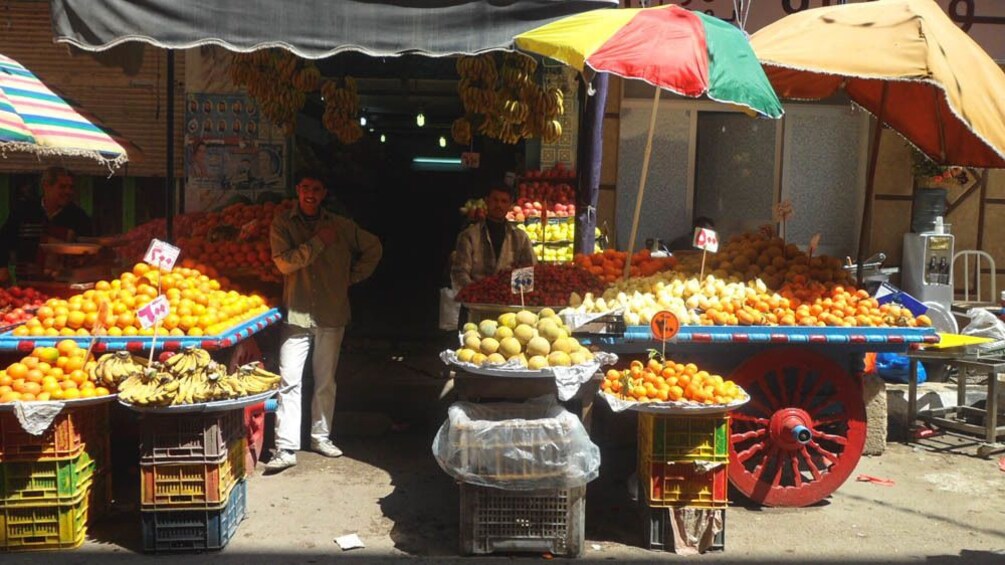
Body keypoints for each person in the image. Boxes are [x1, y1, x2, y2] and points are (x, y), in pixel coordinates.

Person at [265, 170, 382, 473]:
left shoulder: (341, 226)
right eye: (305, 188)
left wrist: (351, 278)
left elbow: (373, 248)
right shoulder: (282, 224)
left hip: (332, 313)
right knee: (289, 380)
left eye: (316, 189)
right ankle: (286, 446)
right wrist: (317, 243)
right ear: (297, 190)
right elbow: (284, 263)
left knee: (325, 381)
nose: (310, 194)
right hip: (298, 314)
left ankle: (321, 437)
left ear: (323, 192)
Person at [0, 166, 93, 284]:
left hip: (63, 284)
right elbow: (3, 239)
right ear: (46, 186)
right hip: (26, 283)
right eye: (62, 187)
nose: (68, 192)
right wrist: (2, 267)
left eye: (71, 187)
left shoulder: (79, 217)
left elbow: (87, 251)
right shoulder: (24, 210)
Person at [451, 185, 536, 290]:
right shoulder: (469, 236)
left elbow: (528, 269)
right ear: (487, 201)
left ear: (510, 205)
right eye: (495, 200)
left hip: (508, 300)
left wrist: (514, 294)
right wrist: (475, 293)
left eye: (504, 201)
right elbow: (460, 272)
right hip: (476, 302)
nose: (499, 205)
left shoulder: (520, 237)